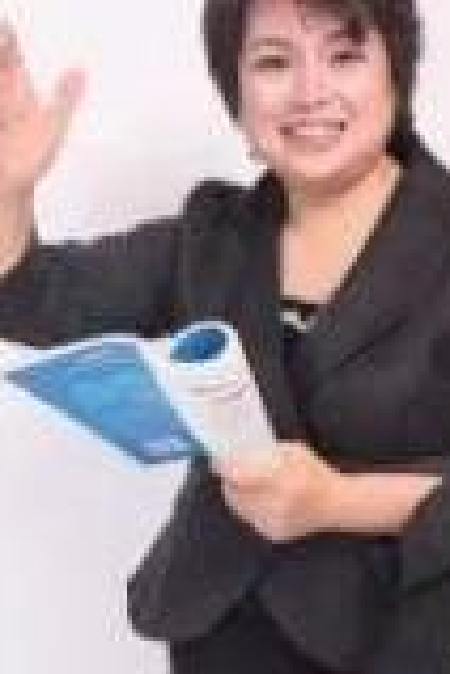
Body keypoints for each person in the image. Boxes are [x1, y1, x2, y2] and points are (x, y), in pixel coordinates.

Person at [0, 0, 448, 672]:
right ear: (236, 94)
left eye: (344, 55)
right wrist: (8, 191)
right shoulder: (213, 236)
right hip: (222, 634)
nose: (310, 91)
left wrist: (337, 502)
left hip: (403, 634)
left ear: (396, 76)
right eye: (273, 62)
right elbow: (32, 300)